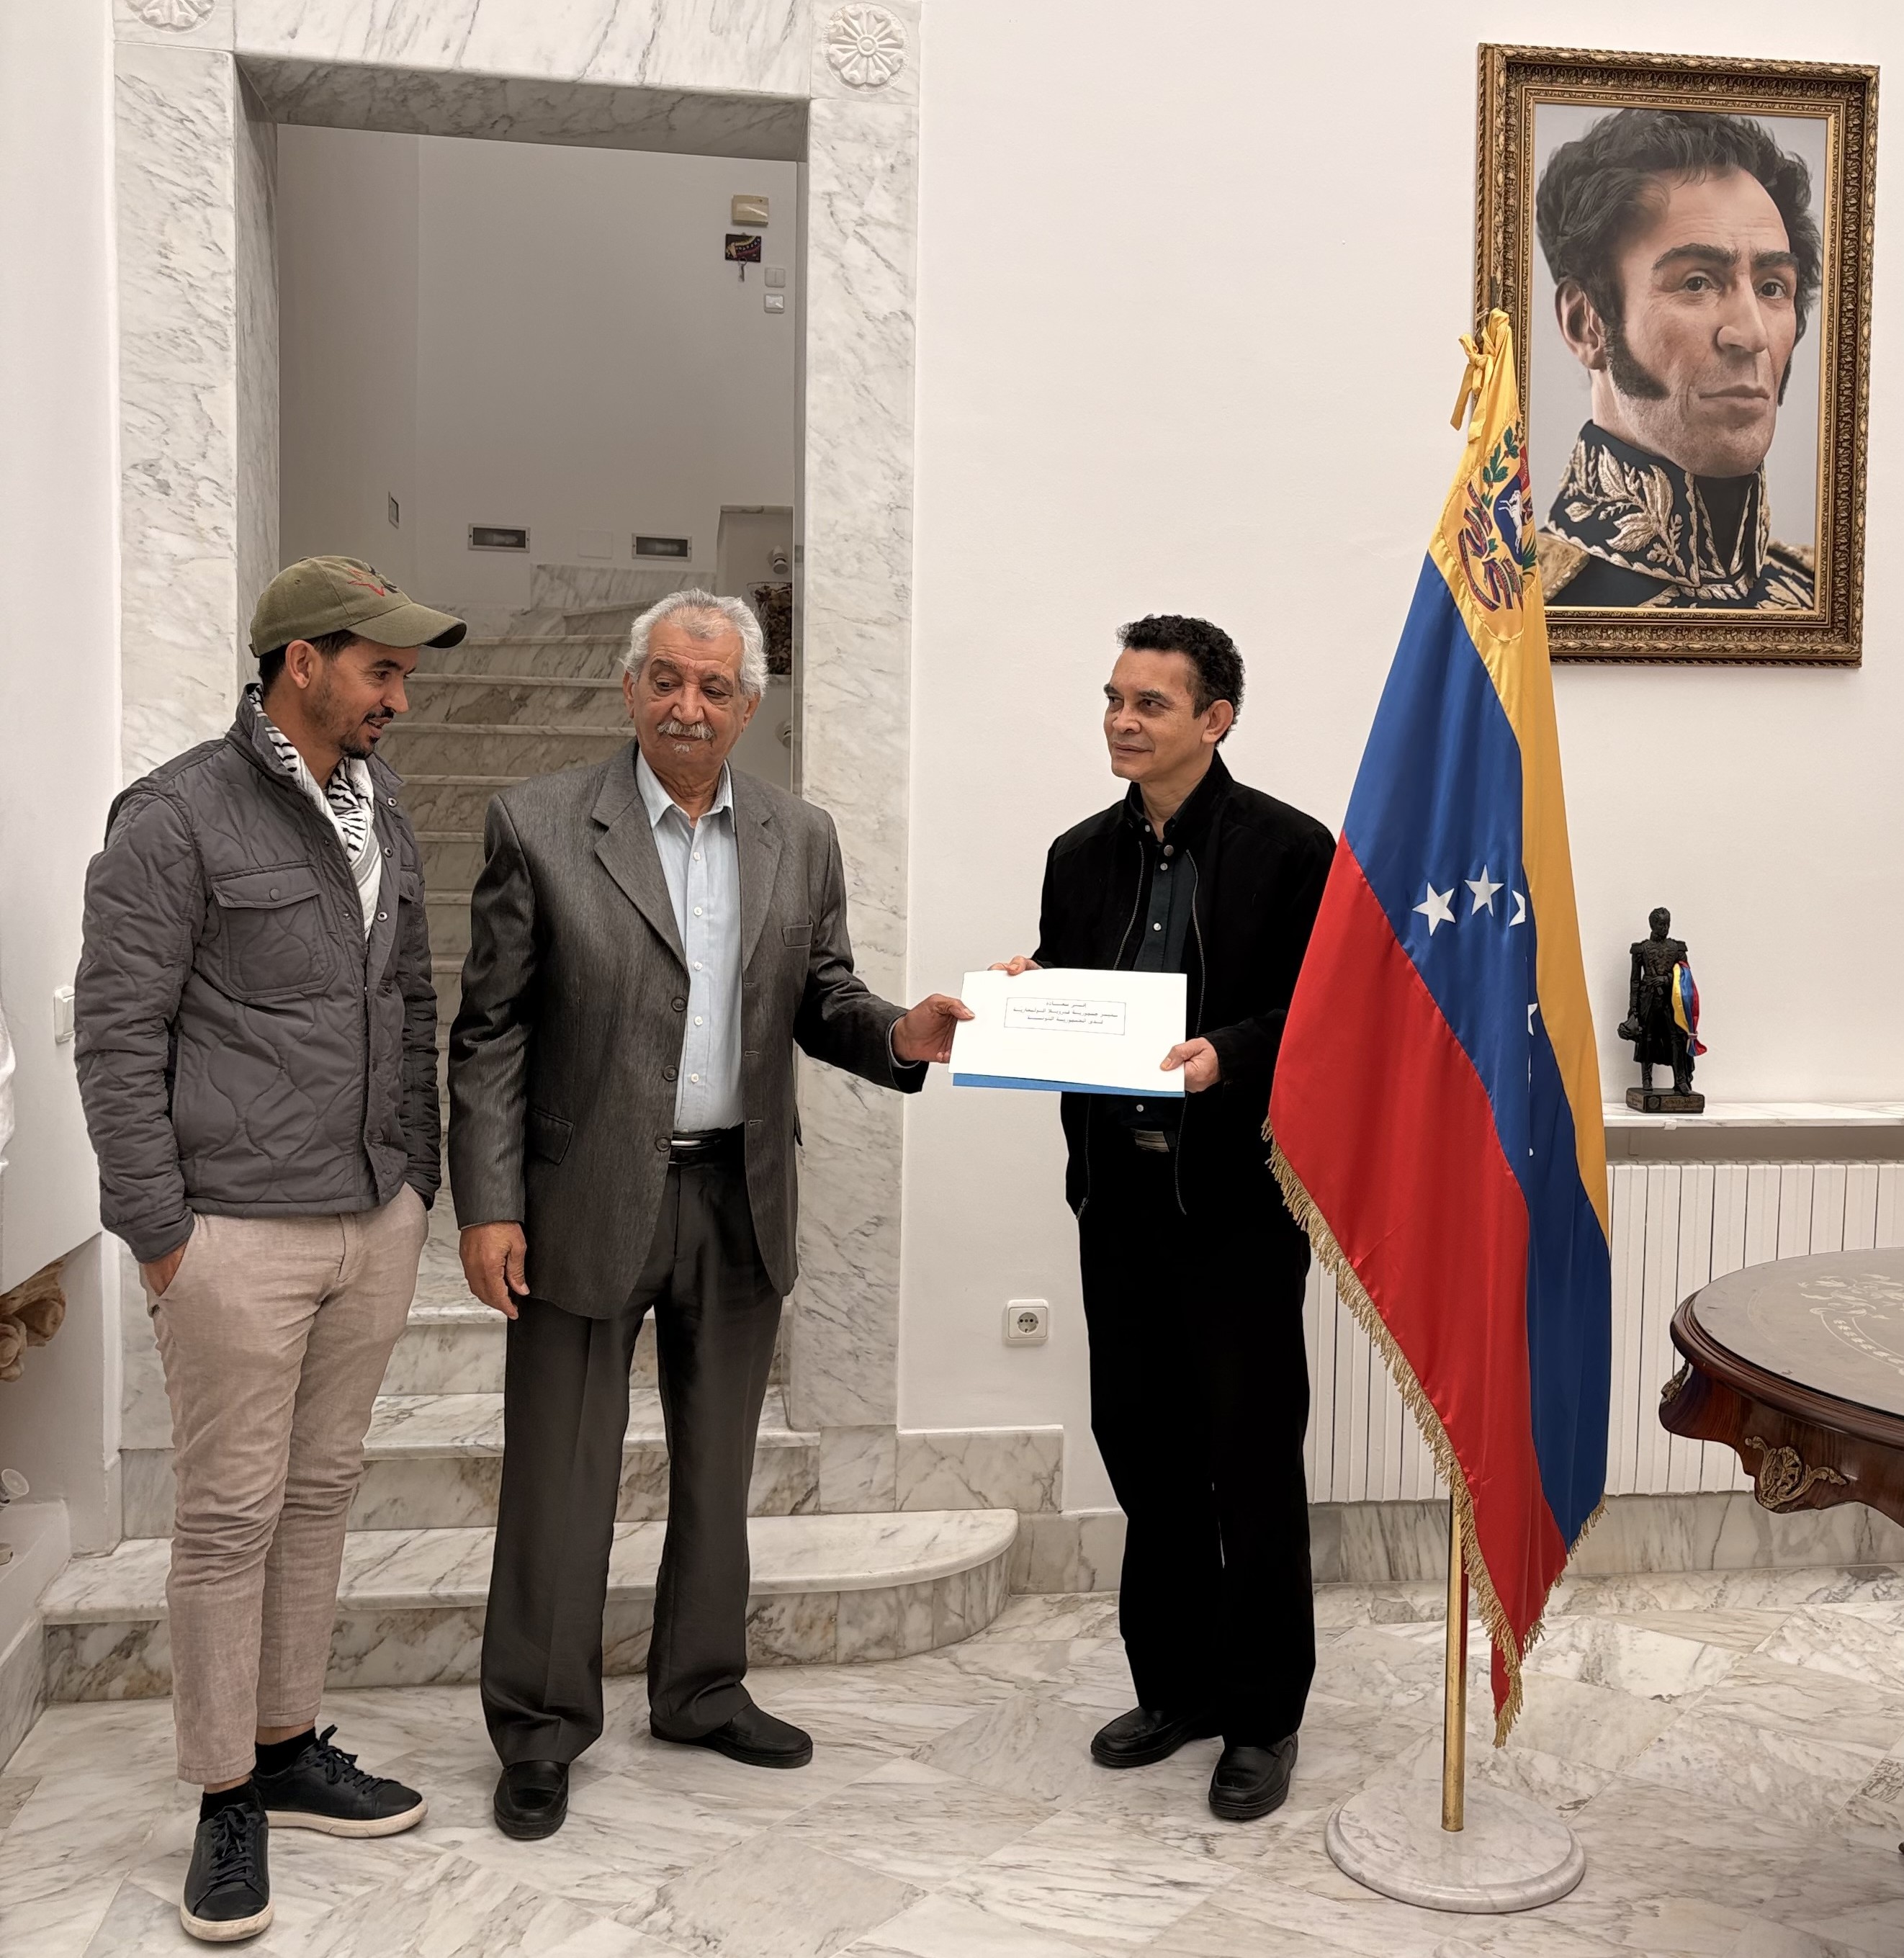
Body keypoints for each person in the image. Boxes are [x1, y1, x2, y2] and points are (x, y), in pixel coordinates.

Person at [450, 588, 970, 1841]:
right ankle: (540, 1724)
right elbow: (491, 1030)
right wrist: (489, 1202)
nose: (690, 705)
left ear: (749, 705)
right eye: (669, 680)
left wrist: (899, 1033)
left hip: (739, 1195)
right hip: (581, 1198)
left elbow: (822, 993)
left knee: (717, 1467)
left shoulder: (801, 834)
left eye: (716, 686)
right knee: (560, 1476)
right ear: (631, 687)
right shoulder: (537, 823)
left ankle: (698, 1687)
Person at [74, 557, 462, 1942]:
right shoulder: (173, 813)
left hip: (370, 1215)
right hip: (232, 1230)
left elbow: (407, 998)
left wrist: (415, 1179)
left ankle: (288, 1741)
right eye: (380, 668)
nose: (398, 695)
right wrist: (161, 1232)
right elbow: (116, 1032)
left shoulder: (380, 805)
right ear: (302, 660)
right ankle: (222, 1790)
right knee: (230, 1513)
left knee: (317, 1494)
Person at [992, 615, 1333, 1823]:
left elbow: (1328, 1015)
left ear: (1214, 719)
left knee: (1249, 1461)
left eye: (1149, 703)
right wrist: (1030, 997)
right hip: (1119, 1201)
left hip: (1237, 1208)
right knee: (1143, 1448)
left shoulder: (1292, 849)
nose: (1121, 721)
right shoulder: (1078, 854)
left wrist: (1227, 1052)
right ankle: (1175, 1687)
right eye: (1113, 698)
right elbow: (1077, 995)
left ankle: (1263, 1714)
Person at [1535, 107, 1822, 608]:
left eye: (1772, 288)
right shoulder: (1508, 618)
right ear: (1586, 324)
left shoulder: (1827, 597)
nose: (1753, 334)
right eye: (1697, 283)